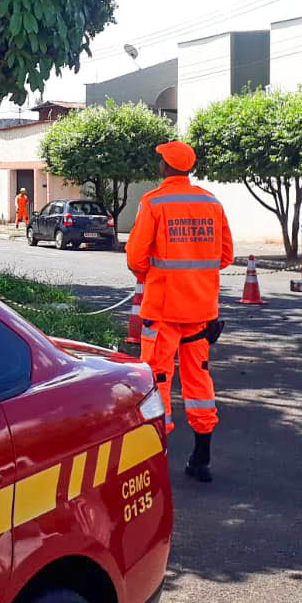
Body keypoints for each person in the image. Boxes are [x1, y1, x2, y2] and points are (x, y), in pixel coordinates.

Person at [125, 140, 233, 483]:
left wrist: (153, 273)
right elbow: (225, 256)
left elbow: (135, 258)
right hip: (201, 311)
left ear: (165, 167)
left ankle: (156, 460)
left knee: (156, 380)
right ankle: (201, 458)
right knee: (199, 379)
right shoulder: (211, 203)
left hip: (163, 310)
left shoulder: (153, 202)